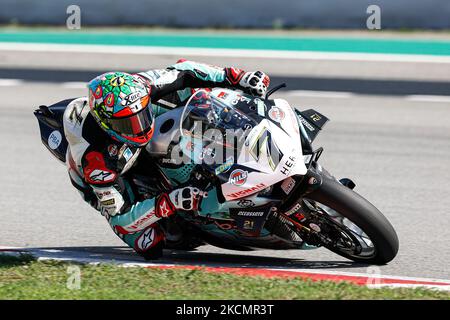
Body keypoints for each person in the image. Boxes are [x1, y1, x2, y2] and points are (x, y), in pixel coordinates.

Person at [62, 59, 270, 259]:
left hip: (149, 133)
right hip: (114, 176)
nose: (139, 127)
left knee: (197, 94)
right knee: (149, 244)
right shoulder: (97, 162)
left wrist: (237, 77)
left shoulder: (141, 87)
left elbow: (185, 70)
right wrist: (170, 201)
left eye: (140, 117)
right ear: (106, 124)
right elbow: (122, 219)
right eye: (128, 124)